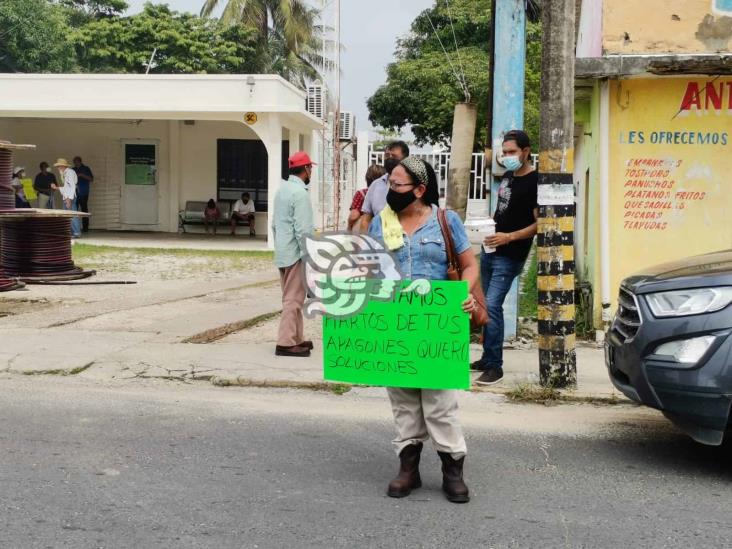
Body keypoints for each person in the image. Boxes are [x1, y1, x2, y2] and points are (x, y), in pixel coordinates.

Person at [369, 156, 479, 504]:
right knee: (403, 401)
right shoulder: (380, 223)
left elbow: (469, 264)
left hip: (437, 328)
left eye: (397, 185)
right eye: (389, 184)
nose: (391, 191)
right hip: (396, 326)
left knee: (439, 403)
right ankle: (408, 469)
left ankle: (453, 471)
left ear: (419, 189)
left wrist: (464, 295)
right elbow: (370, 269)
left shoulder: (446, 221)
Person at [473, 130, 538, 386]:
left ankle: (495, 367)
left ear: (526, 151)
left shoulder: (535, 182)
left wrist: (508, 237)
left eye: (512, 152)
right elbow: (503, 209)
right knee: (484, 305)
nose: (508, 157)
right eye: (505, 152)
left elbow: (540, 224)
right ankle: (487, 357)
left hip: (510, 254)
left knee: (492, 306)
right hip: (491, 250)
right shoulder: (509, 176)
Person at [272, 151, 315, 358]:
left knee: (292, 297)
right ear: (307, 169)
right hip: (296, 253)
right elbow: (303, 230)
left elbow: (274, 224)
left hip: (282, 251)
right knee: (293, 300)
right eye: (310, 168)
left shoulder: (282, 190)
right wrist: (309, 256)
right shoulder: (300, 194)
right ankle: (286, 343)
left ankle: (296, 338)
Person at [359, 140, 410, 232]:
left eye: (394, 156)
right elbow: (366, 219)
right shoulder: (376, 185)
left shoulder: (413, 186)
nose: (390, 159)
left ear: (405, 159)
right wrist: (364, 243)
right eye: (387, 156)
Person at [347, 164, 386, 231]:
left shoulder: (361, 193)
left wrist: (349, 226)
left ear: (367, 178)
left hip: (365, 231)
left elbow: (354, 216)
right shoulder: (386, 194)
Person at [52, 158, 82, 238]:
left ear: (62, 166)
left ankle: (76, 232)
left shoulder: (69, 173)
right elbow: (66, 187)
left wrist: (69, 199)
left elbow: (72, 187)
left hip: (69, 197)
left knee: (72, 214)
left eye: (58, 166)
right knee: (67, 215)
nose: (58, 168)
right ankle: (71, 232)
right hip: (67, 197)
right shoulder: (66, 173)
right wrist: (57, 188)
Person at [73, 156, 93, 233]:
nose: (75, 163)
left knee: (84, 210)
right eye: (74, 162)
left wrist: (82, 175)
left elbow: (91, 179)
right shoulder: (73, 169)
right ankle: (75, 228)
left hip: (84, 192)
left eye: (76, 161)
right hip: (75, 193)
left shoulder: (86, 168)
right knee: (74, 210)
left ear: (80, 161)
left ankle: (85, 228)